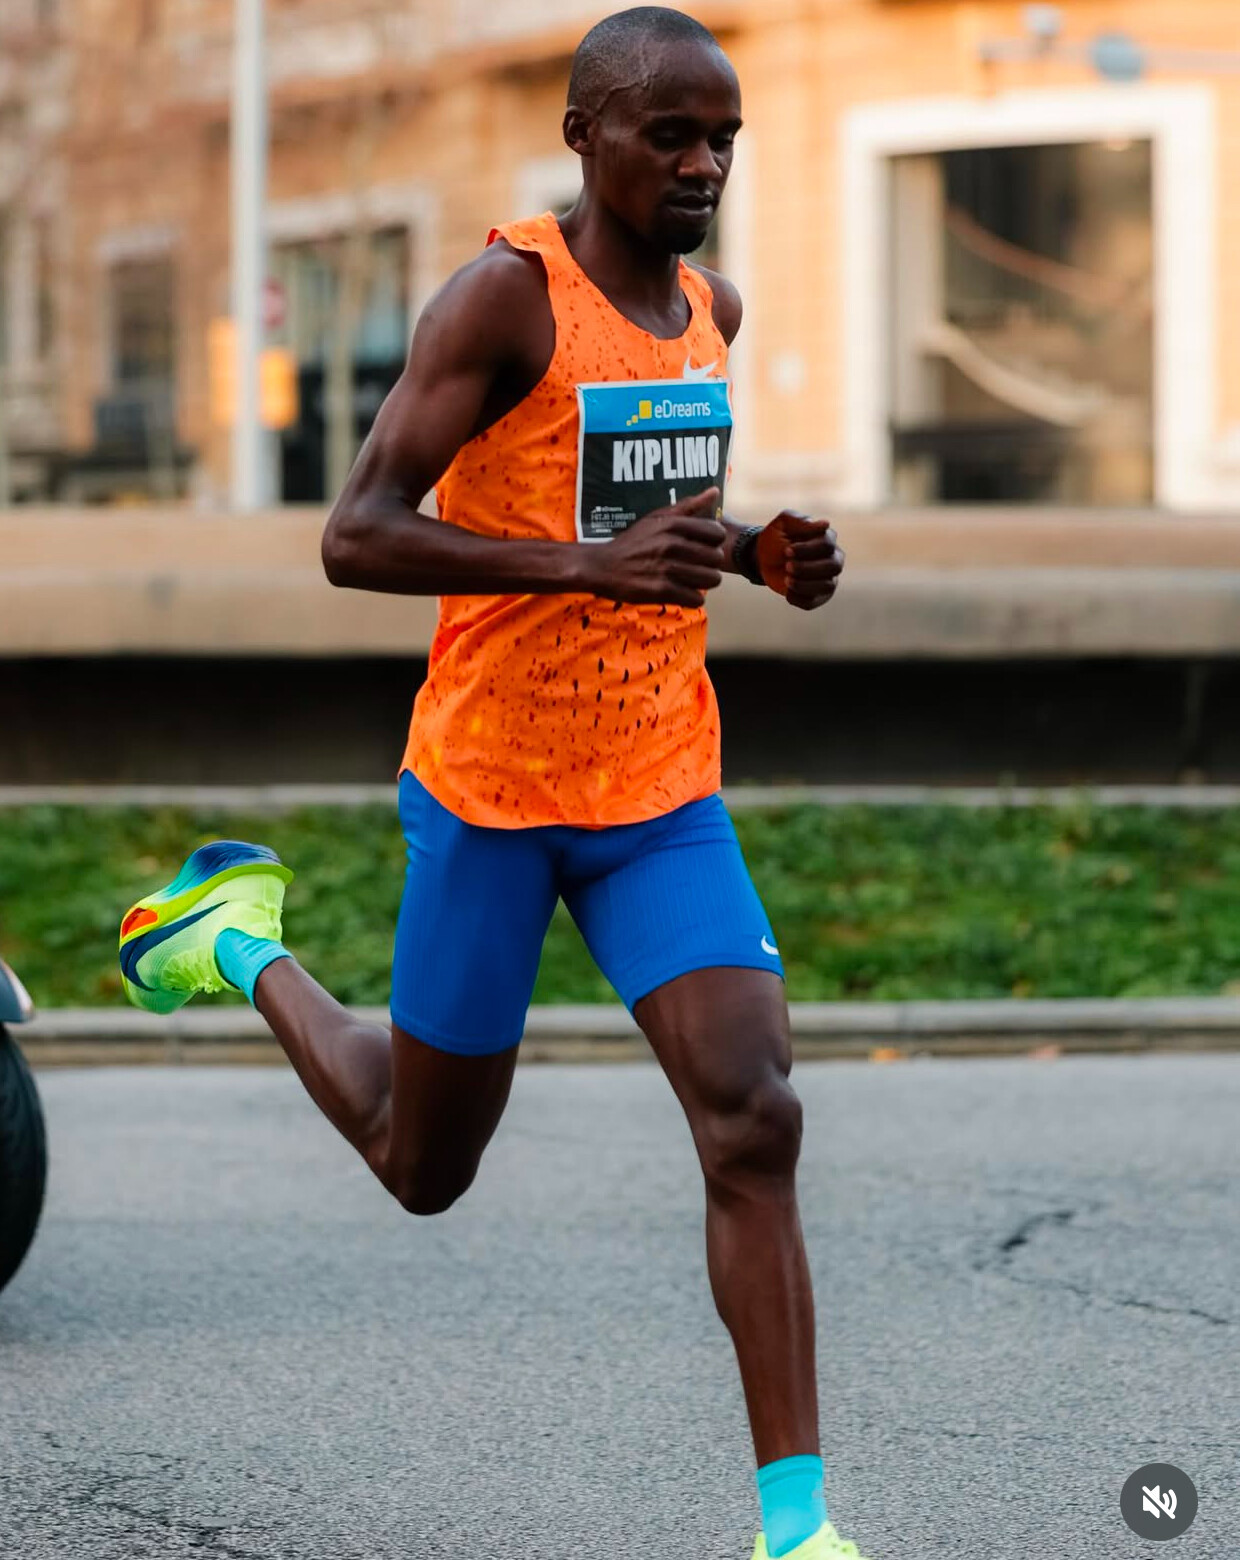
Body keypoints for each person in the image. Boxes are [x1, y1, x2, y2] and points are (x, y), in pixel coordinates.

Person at [118, 9, 862, 1558]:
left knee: (756, 1116)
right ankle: (234, 939)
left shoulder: (709, 312)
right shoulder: (501, 302)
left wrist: (751, 552)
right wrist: (588, 569)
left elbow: (648, 525)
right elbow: (358, 532)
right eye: (672, 134)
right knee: (421, 1164)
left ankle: (797, 1530)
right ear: (587, 134)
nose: (705, 164)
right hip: (496, 792)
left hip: (658, 788)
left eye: (723, 139)